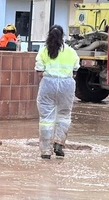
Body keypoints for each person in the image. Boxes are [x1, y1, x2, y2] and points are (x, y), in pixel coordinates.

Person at [34, 25, 80, 159]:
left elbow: (39, 72)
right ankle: (59, 144)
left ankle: (46, 151)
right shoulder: (71, 51)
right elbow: (76, 70)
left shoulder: (44, 51)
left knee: (46, 118)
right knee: (64, 114)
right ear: (62, 36)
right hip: (67, 84)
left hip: (48, 83)